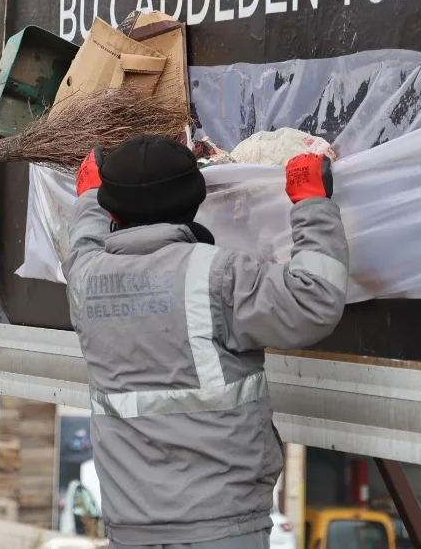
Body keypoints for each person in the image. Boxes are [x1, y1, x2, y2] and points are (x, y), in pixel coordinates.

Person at [63, 134, 350, 549]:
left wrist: (89, 198)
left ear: (113, 209)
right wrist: (312, 204)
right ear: (194, 202)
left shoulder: (87, 281)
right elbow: (314, 300)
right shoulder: (218, 276)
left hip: (130, 529)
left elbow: (82, 246)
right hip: (221, 527)